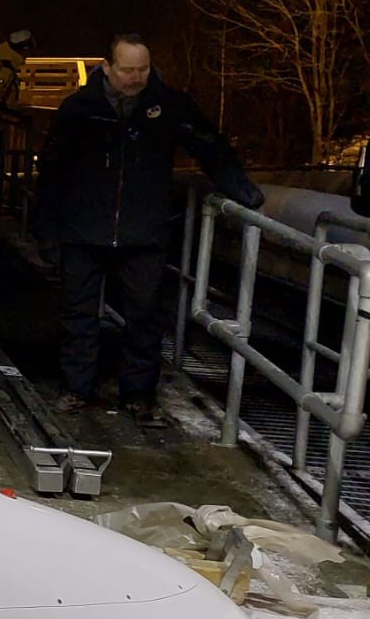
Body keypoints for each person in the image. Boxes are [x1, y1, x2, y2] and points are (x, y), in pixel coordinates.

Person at [32, 33, 263, 426]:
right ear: (107, 67)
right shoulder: (79, 109)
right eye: (127, 70)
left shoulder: (168, 106)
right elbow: (52, 172)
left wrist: (241, 188)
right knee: (78, 314)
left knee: (144, 316)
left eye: (143, 69)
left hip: (144, 232)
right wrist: (47, 230)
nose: (136, 77)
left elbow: (209, 145)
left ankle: (138, 394)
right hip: (84, 230)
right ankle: (77, 388)